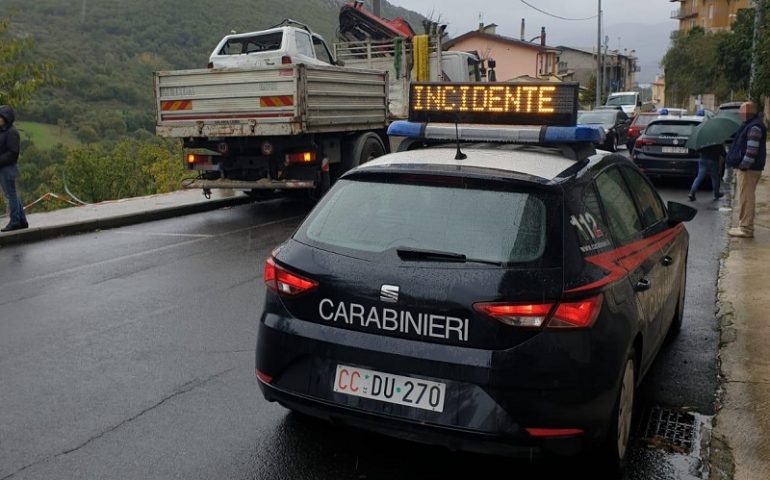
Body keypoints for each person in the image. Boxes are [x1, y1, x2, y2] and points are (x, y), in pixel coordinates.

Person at [726, 101, 766, 238]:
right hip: (748, 169)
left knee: (746, 198)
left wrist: (743, 166)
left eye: (741, 112)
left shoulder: (754, 127)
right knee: (744, 197)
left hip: (748, 170)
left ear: (748, 113)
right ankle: (744, 224)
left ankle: (746, 228)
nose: (739, 115)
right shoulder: (750, 125)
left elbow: (751, 151)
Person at [0, 105, 28, 232]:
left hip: (8, 168)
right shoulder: (3, 131)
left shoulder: (12, 132)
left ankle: (15, 221)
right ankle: (22, 221)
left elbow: (13, 153)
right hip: (3, 167)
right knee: (12, 195)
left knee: (10, 196)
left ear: (6, 118)